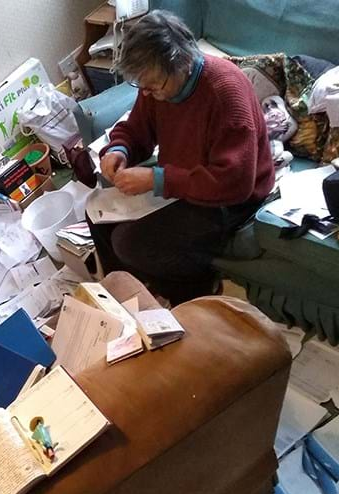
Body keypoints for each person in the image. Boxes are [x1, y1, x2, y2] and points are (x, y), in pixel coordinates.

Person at [94, 10, 275, 305]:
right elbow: (137, 127)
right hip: (182, 181)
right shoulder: (158, 84)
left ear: (183, 63)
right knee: (98, 217)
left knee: (130, 243)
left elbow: (235, 182)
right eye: (142, 86)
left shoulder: (226, 93)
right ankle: (131, 302)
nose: (148, 93)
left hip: (231, 198)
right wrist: (119, 149)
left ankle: (194, 294)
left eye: (153, 85)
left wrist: (158, 180)